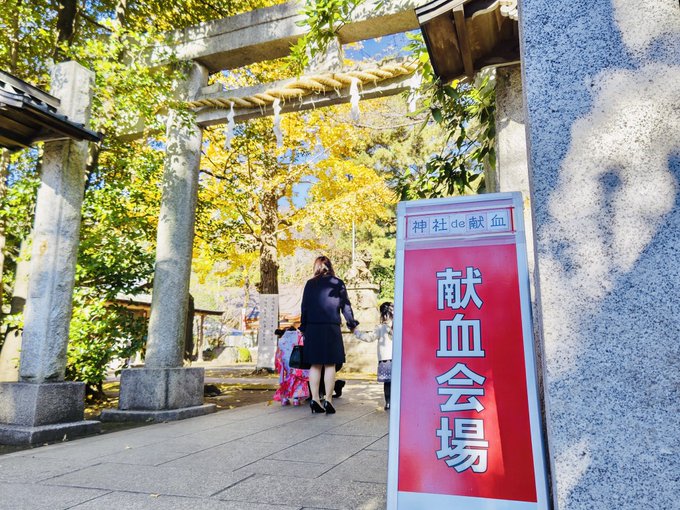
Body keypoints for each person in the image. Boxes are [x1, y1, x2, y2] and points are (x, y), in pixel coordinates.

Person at [300, 255, 359, 414]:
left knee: (315, 364)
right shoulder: (337, 283)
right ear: (330, 266)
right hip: (331, 328)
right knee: (330, 364)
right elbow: (345, 306)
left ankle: (314, 400)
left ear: (316, 267)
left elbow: (304, 307)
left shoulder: (310, 284)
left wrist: (304, 328)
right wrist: (351, 323)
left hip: (312, 328)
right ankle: (328, 399)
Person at [354, 302, 393, 410]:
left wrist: (356, 332)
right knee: (398, 383)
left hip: (385, 361)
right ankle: (397, 401)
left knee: (388, 383)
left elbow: (369, 337)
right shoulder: (399, 326)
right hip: (399, 360)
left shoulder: (380, 328)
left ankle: (388, 403)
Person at [273, 325, 310, 406]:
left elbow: (278, 354)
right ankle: (296, 399)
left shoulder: (281, 339)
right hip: (297, 361)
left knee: (287, 378)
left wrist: (279, 365)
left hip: (286, 362)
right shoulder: (299, 336)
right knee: (298, 379)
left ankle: (284, 399)